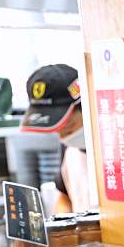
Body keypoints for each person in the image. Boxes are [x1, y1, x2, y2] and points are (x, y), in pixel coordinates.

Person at [20, 64, 89, 213]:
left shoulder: (117, 145)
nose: (62, 136)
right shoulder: (68, 147)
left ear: (87, 107)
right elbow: (64, 196)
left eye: (68, 125)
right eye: (56, 128)